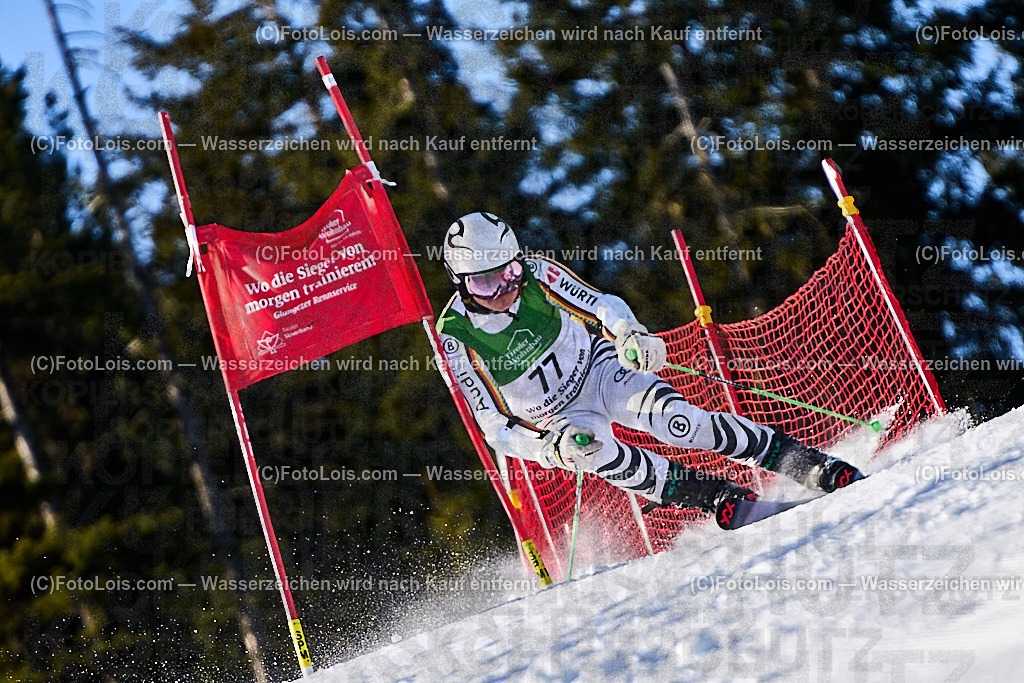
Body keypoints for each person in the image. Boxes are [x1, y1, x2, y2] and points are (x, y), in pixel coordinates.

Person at [436, 212, 863, 515]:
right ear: (461, 282)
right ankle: (713, 496)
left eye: (509, 272)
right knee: (596, 453)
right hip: (556, 417)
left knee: (681, 423)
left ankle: (805, 465)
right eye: (486, 281)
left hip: (597, 371)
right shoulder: (455, 336)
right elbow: (492, 425)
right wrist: (546, 449)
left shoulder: (536, 274)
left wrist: (630, 333)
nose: (505, 288)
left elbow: (599, 304)